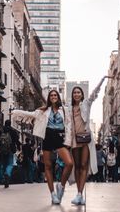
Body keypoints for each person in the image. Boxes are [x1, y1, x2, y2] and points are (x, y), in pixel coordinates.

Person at [12, 90, 73, 205]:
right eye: (51, 95)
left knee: (69, 163)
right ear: (49, 98)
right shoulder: (43, 110)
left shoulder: (64, 110)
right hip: (48, 138)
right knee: (48, 167)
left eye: (55, 95)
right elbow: (30, 114)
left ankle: (61, 185)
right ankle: (53, 194)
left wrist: (69, 140)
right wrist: (16, 112)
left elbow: (69, 125)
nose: (53, 97)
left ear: (58, 97)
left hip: (60, 138)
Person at [70, 76, 108, 205]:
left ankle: (80, 193)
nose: (76, 94)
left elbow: (95, 93)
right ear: (72, 95)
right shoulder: (68, 108)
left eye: (78, 92)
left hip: (86, 139)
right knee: (77, 166)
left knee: (84, 165)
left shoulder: (86, 103)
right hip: (74, 140)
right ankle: (78, 193)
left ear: (82, 95)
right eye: (74, 92)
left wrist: (102, 79)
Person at [0, 119, 21, 188]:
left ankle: (4, 177)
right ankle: (7, 173)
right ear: (10, 124)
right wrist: (18, 147)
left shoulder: (0, 130)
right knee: (10, 164)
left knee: (3, 164)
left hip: (2, 151)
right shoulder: (13, 131)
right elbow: (17, 140)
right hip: (10, 150)